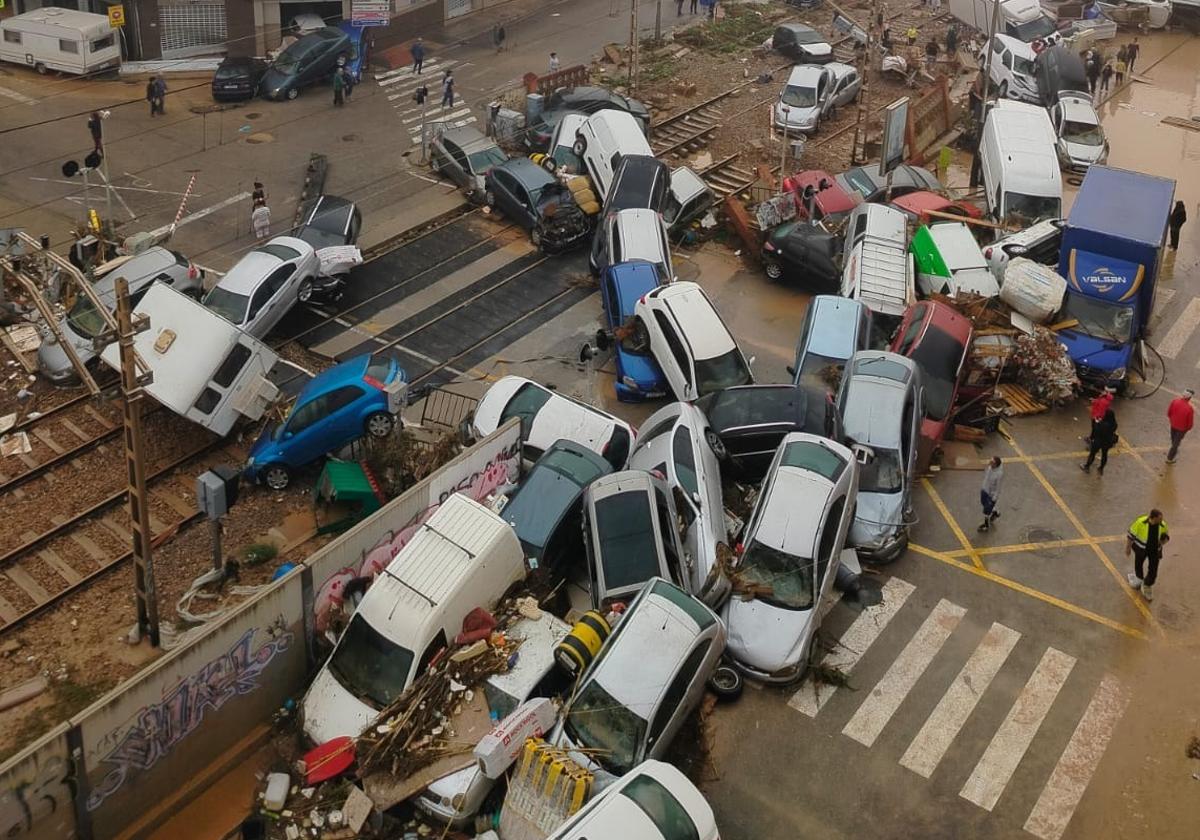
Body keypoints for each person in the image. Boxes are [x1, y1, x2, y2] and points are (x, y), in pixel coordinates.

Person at [1125, 509, 1168, 601]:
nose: (1162, 520)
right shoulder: (1140, 522)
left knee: (1153, 570)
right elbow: (1130, 535)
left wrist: (1162, 542)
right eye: (1160, 519)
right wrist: (1128, 548)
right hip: (1141, 549)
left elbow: (1165, 537)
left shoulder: (1162, 525)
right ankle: (1138, 578)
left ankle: (1147, 584)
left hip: (1155, 551)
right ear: (1153, 517)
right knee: (1138, 565)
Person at [1081, 408, 1118, 474]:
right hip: (1107, 442)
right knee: (1104, 454)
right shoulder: (1114, 424)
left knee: (1092, 454)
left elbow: (1096, 430)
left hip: (1099, 441)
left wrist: (1096, 422)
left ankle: (1087, 467)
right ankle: (1101, 469)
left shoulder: (1102, 424)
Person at [1167, 388, 1194, 464]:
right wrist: (1187, 429)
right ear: (1189, 398)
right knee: (1176, 443)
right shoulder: (1189, 409)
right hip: (1182, 429)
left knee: (1174, 439)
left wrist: (1172, 420)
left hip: (1173, 425)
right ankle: (1170, 458)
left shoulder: (1174, 401)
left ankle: (1173, 450)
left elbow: (1169, 413)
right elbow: (1190, 423)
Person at [978, 456, 1003, 532]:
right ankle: (995, 512)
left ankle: (986, 525)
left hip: (991, 495)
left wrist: (994, 498)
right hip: (985, 490)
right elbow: (986, 478)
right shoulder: (989, 468)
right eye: (990, 461)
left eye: (992, 462)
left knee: (986, 510)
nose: (990, 463)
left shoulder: (999, 474)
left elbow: (998, 487)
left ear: (996, 465)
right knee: (983, 503)